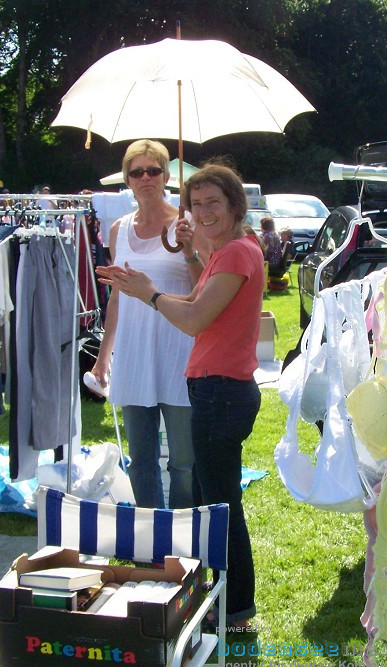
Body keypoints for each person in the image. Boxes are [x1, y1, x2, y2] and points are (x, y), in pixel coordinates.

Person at [97, 162, 265, 630]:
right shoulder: (228, 250)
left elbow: (192, 319)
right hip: (217, 389)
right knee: (218, 501)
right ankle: (225, 600)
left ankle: (233, 611)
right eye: (197, 203)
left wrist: (148, 293)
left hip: (220, 393)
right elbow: (196, 301)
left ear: (235, 205)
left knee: (221, 507)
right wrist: (191, 252)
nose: (205, 211)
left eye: (215, 202)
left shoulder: (236, 253)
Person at [90, 139, 202, 510]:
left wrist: (190, 251)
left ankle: (185, 536)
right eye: (136, 172)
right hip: (134, 353)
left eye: (153, 170)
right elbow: (117, 299)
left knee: (184, 463)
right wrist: (103, 356)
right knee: (141, 461)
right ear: (128, 179)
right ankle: (152, 535)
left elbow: (204, 289)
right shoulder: (118, 230)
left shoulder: (187, 226)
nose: (146, 178)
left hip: (178, 351)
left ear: (168, 176)